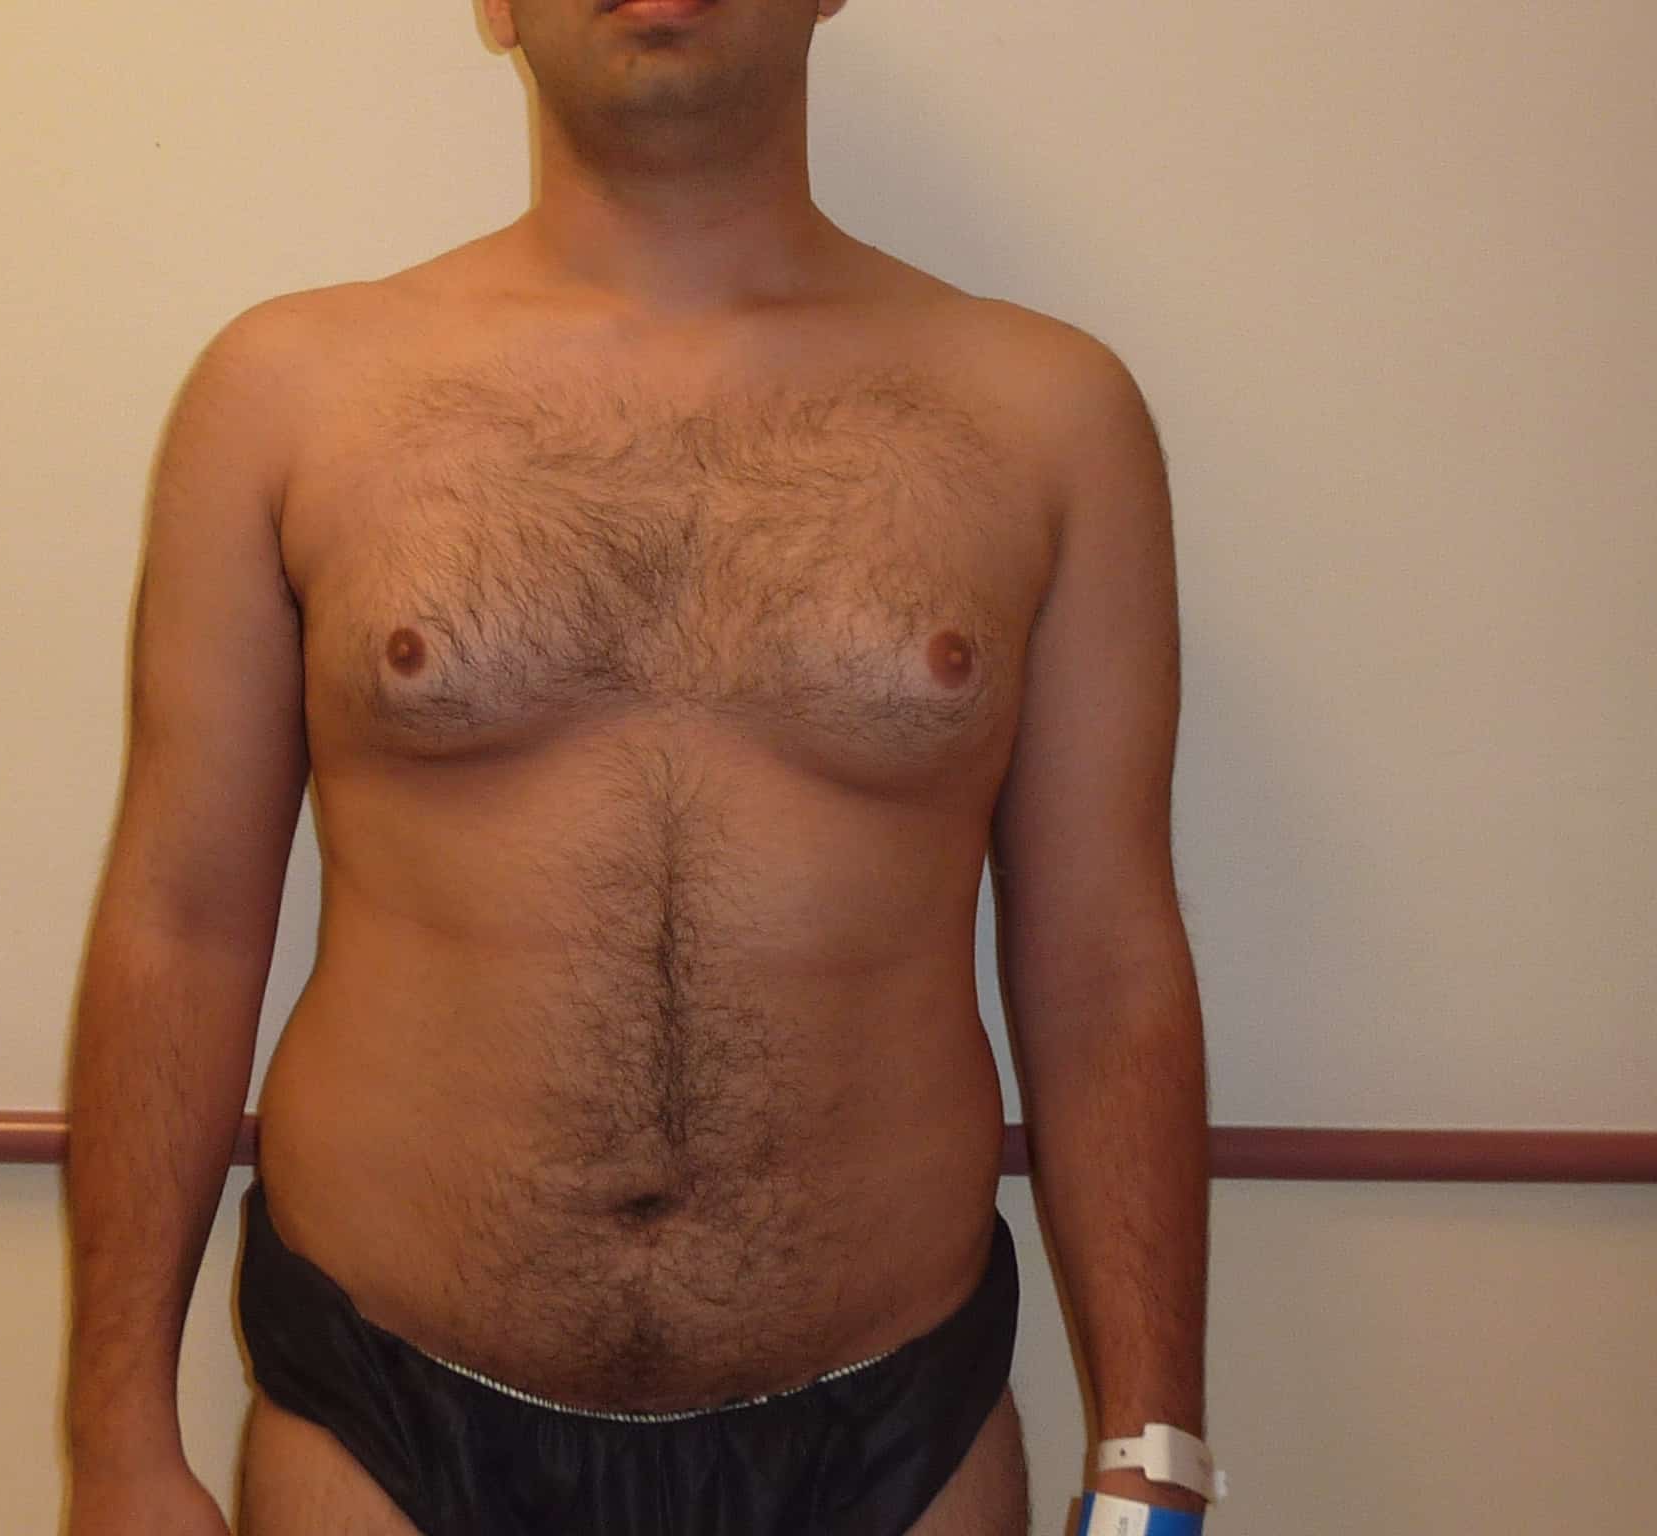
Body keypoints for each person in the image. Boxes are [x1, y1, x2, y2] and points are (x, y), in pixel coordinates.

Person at [62, 1, 1214, 1532]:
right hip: (386, 1419)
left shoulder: (1046, 414)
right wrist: (119, 1445)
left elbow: (1108, 962)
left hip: (889, 1428)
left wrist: (1155, 1464)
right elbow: (182, 922)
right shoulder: (289, 393)